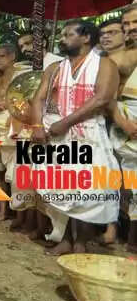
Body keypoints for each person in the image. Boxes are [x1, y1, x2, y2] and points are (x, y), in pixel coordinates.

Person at [31, 20, 120, 255]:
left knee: (88, 191)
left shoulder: (105, 65)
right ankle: (66, 240)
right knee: (63, 188)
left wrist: (66, 122)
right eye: (61, 35)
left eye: (68, 34)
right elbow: (38, 99)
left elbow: (102, 98)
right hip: (58, 137)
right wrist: (37, 125)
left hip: (89, 135)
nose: (62, 39)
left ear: (86, 38)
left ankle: (81, 242)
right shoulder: (55, 68)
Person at [106, 5, 137, 252]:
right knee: (122, 181)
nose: (131, 28)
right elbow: (107, 97)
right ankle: (121, 232)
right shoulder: (118, 59)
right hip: (125, 126)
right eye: (126, 24)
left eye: (135, 22)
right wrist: (122, 122)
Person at [0, 44, 26, 224]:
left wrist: (7, 105)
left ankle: (21, 214)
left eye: (0, 56)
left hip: (17, 126)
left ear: (12, 57)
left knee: (18, 171)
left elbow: (30, 101)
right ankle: (3, 210)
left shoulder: (22, 75)